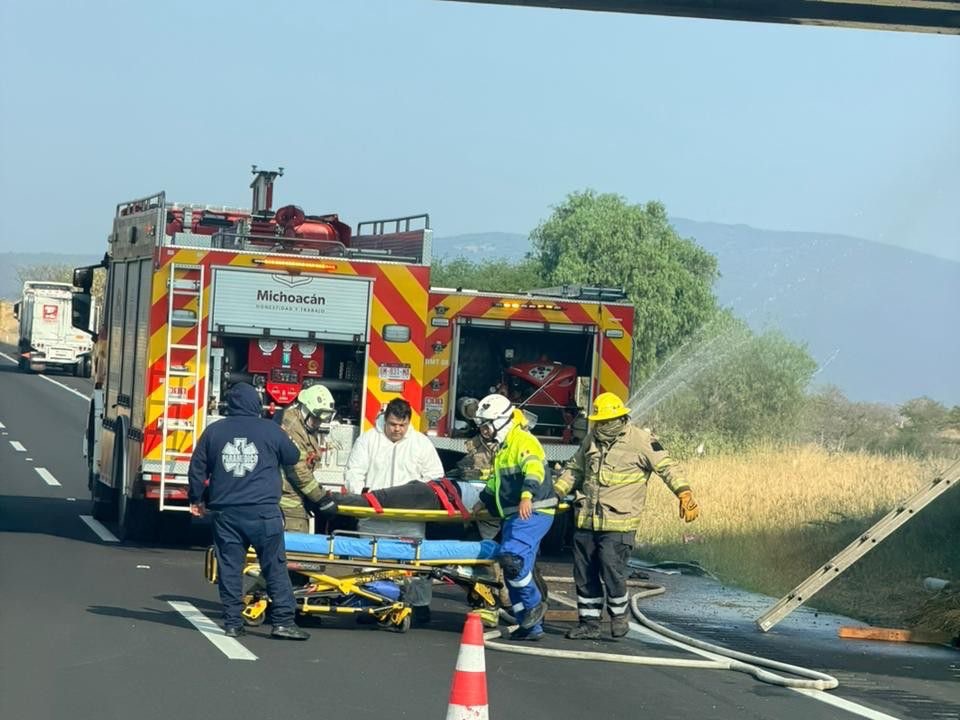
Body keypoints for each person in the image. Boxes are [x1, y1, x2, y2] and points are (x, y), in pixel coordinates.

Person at [553, 392, 700, 640]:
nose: (600, 426)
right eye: (597, 422)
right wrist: (558, 490)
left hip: (619, 523)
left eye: (605, 422)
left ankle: (619, 616)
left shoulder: (641, 441)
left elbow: (667, 467)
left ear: (619, 419)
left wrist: (684, 493)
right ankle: (589, 623)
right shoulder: (592, 440)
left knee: (612, 569)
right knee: (584, 572)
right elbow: (575, 469)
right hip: (587, 520)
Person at [187, 382, 309, 641]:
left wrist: (196, 499)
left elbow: (197, 468)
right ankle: (283, 622)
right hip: (264, 513)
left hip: (226, 514)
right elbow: (292, 455)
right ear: (257, 403)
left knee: (230, 568)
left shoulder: (214, 432)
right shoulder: (271, 430)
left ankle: (232, 623)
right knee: (274, 566)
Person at [344, 397, 444, 624]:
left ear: (409, 422)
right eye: (392, 424)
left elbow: (436, 478)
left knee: (414, 564)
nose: (397, 429)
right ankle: (371, 603)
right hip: (374, 516)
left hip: (409, 518)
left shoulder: (421, 443)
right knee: (371, 562)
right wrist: (363, 496)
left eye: (402, 425)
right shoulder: (368, 440)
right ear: (385, 419)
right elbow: (354, 473)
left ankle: (418, 606)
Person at [471, 393, 555, 641]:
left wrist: (527, 495)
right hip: (514, 515)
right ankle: (529, 626)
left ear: (501, 421)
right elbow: (497, 480)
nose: (484, 430)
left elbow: (534, 468)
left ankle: (535, 606)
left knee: (512, 559)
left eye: (486, 424)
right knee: (512, 569)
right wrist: (482, 500)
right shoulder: (504, 447)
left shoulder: (523, 441)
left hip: (533, 510)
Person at [277, 384, 340, 532]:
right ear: (305, 409)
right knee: (293, 550)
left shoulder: (304, 424)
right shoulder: (291, 426)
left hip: (295, 501)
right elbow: (297, 470)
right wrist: (321, 498)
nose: (318, 423)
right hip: (288, 506)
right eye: (316, 419)